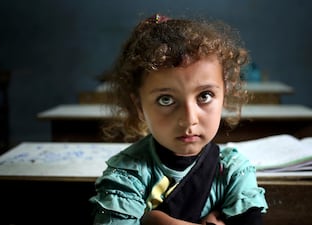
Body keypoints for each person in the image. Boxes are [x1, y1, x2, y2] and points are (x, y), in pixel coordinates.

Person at [89, 13, 268, 225]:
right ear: (139, 105)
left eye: (205, 96)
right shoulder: (126, 176)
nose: (189, 120)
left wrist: (155, 221)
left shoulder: (232, 170)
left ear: (224, 96)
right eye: (166, 100)